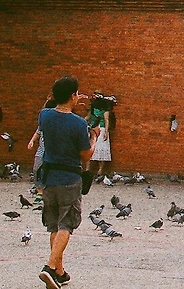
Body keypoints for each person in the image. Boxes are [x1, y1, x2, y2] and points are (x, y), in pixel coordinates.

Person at [35, 75, 98, 289]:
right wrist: (94, 138)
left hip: (48, 177)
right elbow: (85, 155)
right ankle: (50, 267)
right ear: (73, 96)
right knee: (66, 224)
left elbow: (51, 112)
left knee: (53, 224)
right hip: (69, 178)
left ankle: (59, 273)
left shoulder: (44, 116)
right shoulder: (79, 123)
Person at [28, 96, 57, 194]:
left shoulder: (58, 123)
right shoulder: (44, 122)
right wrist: (32, 141)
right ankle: (39, 189)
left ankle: (47, 190)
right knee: (36, 169)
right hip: (41, 150)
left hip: (53, 152)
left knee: (51, 171)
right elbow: (38, 131)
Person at [86, 93, 115, 181]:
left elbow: (87, 118)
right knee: (100, 149)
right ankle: (99, 170)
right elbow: (106, 120)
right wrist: (106, 131)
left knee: (91, 148)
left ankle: (89, 169)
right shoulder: (104, 110)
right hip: (100, 129)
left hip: (95, 129)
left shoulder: (93, 109)